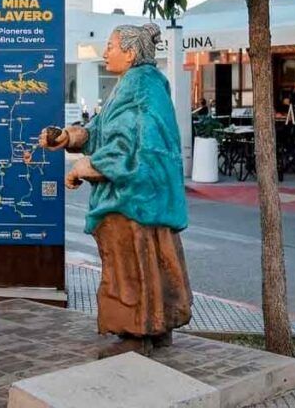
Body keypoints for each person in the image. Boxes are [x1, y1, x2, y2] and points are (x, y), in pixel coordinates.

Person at [39, 23, 191, 359]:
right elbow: (101, 130)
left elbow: (133, 148)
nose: (105, 52)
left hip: (132, 200)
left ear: (131, 53)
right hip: (145, 199)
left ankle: (136, 334)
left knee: (129, 266)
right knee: (152, 262)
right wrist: (69, 137)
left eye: (110, 46)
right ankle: (158, 327)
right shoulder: (137, 85)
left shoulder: (141, 87)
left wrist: (88, 166)